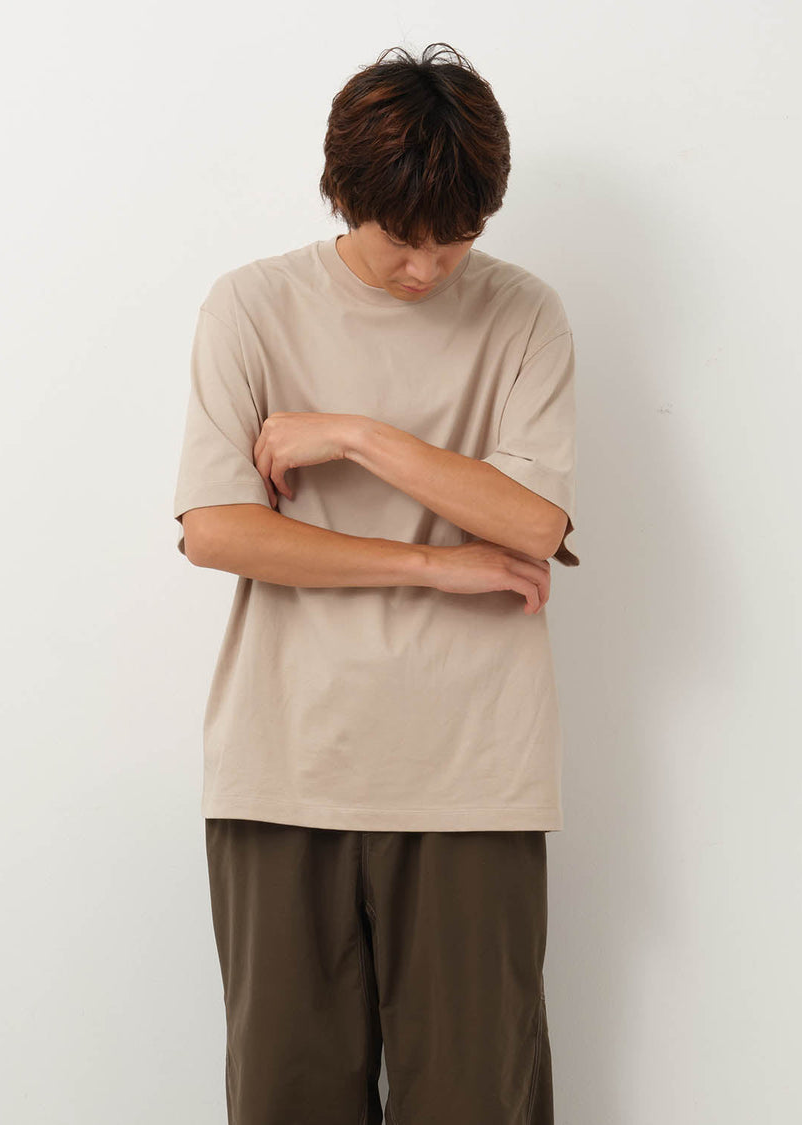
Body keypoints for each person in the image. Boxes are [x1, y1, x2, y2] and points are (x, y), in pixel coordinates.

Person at [173, 41, 579, 1125]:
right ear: (345, 196)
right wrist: (431, 564)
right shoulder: (251, 306)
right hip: (286, 763)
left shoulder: (525, 314)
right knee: (286, 1097)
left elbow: (535, 522)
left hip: (475, 771)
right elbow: (216, 531)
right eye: (404, 240)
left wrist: (354, 435)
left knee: (476, 1101)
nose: (429, 270)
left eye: (457, 240)